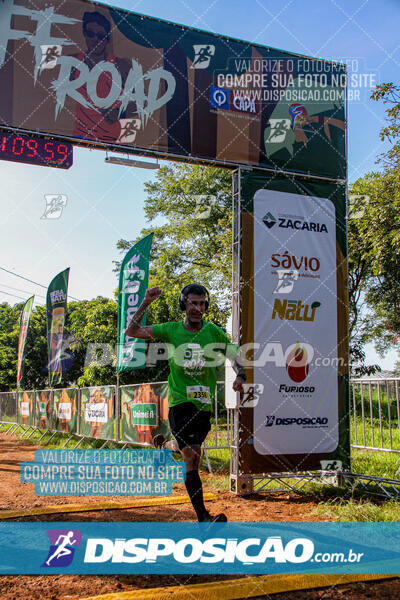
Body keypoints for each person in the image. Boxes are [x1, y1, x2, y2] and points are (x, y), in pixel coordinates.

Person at [125, 284, 246, 522]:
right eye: (192, 303)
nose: (197, 308)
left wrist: (241, 375)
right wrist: (146, 303)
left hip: (202, 405)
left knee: (193, 454)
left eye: (201, 303)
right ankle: (203, 517)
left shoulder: (213, 333)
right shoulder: (170, 330)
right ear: (184, 304)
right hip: (180, 402)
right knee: (190, 456)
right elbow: (132, 330)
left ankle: (166, 445)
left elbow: (235, 355)